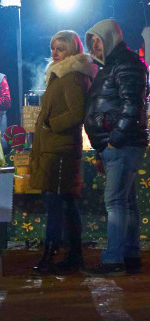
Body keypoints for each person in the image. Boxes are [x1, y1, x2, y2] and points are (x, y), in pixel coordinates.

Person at [82, 19, 149, 276]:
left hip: (122, 144)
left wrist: (113, 139)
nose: (95, 45)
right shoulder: (115, 64)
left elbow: (132, 105)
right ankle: (130, 257)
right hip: (121, 143)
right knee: (126, 203)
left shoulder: (125, 64)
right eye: (92, 41)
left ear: (110, 37)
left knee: (115, 203)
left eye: (98, 39)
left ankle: (113, 260)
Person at [29, 31, 98, 274]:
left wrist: (51, 125)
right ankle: (74, 256)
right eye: (52, 48)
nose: (54, 53)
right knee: (65, 203)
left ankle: (50, 255)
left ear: (71, 50)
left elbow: (77, 112)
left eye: (60, 48)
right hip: (56, 149)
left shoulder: (71, 77)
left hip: (61, 150)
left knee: (56, 203)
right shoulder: (61, 75)